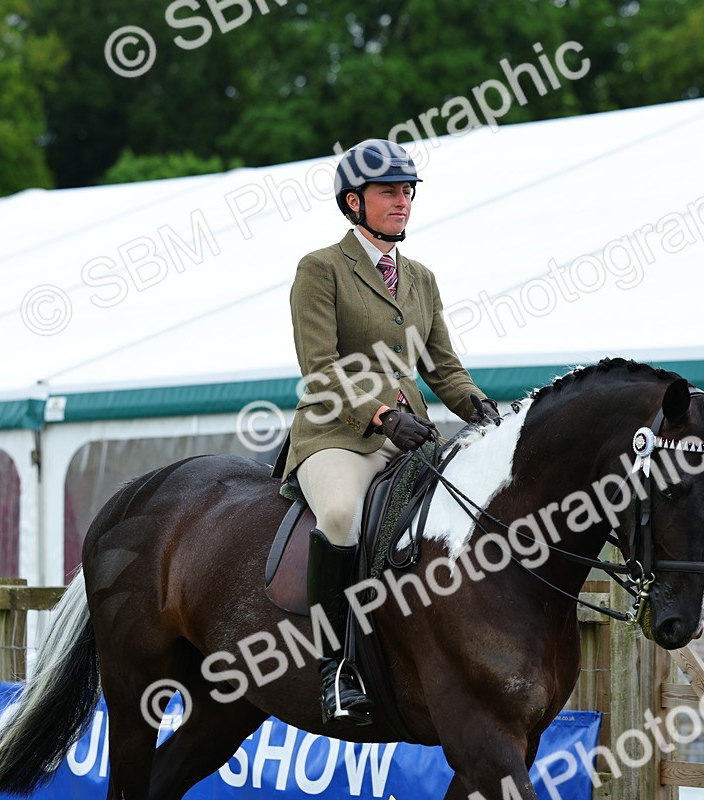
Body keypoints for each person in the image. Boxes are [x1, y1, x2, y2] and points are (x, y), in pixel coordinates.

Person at [272, 139, 501, 726]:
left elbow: (441, 365)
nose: (402, 201)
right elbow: (319, 369)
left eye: (407, 191)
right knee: (343, 516)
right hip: (339, 435)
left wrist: (478, 407)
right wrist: (378, 413)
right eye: (388, 192)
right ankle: (334, 667)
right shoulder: (320, 269)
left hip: (413, 436)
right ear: (354, 201)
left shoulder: (421, 278)